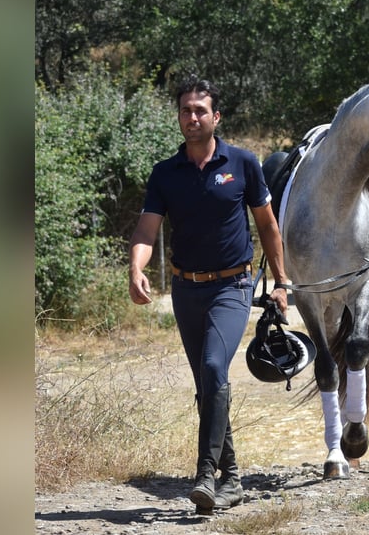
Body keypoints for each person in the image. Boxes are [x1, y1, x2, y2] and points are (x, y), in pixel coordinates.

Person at [128, 76, 289, 514]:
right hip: (186, 289)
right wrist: (136, 267)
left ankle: (204, 476)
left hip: (232, 285)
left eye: (200, 110)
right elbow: (147, 228)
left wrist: (280, 283)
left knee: (215, 366)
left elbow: (268, 226)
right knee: (207, 383)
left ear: (215, 117)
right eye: (185, 110)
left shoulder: (242, 163)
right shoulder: (165, 173)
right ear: (178, 117)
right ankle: (232, 479)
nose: (192, 117)